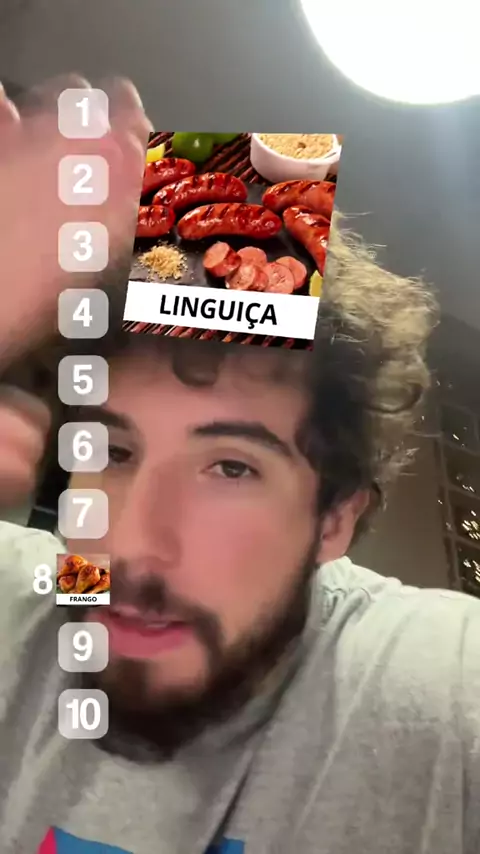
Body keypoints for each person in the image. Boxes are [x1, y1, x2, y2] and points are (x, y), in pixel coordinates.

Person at [0, 79, 479, 854]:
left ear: (335, 520)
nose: (131, 543)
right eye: (114, 452)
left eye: (229, 468)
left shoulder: (431, 680)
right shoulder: (27, 601)